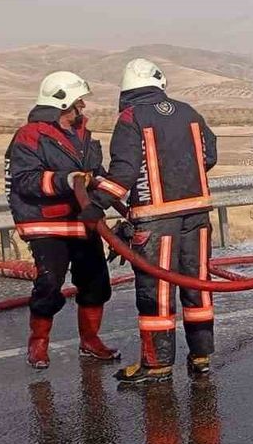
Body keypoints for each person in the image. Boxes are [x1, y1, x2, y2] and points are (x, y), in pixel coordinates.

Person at [85, 58, 218, 384]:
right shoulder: (188, 111)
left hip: (155, 222)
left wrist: (95, 203)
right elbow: (209, 155)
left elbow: (124, 173)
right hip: (197, 216)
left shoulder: (132, 118)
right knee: (197, 286)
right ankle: (201, 356)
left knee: (156, 292)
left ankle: (157, 364)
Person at [5, 71, 126, 369]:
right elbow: (25, 180)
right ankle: (39, 344)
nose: (83, 107)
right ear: (61, 104)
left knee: (96, 281)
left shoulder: (83, 135)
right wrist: (66, 179)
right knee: (49, 284)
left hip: (83, 221)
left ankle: (90, 340)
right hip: (47, 224)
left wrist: (121, 203)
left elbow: (95, 174)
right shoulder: (29, 136)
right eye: (78, 102)